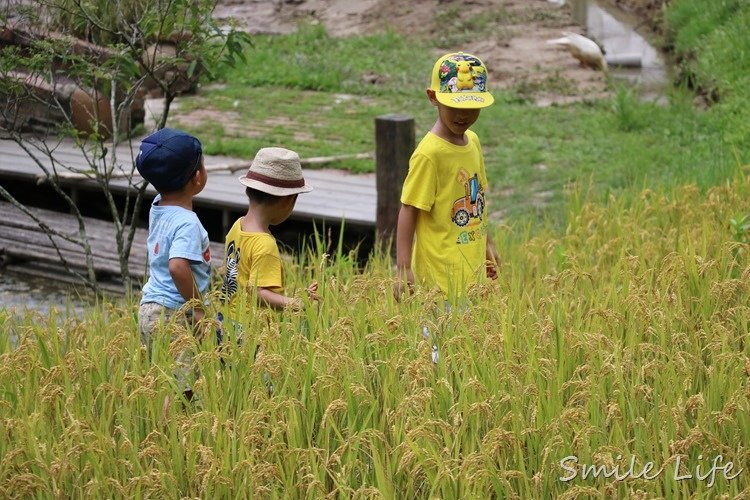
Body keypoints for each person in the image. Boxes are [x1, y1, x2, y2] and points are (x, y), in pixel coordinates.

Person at [394, 51, 501, 360]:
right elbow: (409, 209)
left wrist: (488, 246)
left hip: (472, 275)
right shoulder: (430, 154)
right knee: (441, 356)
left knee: (470, 352)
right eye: (453, 106)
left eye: (472, 108)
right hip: (439, 280)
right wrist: (403, 268)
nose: (462, 116)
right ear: (433, 97)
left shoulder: (474, 142)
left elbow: (478, 199)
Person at [136, 128, 211, 401]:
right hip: (172, 314)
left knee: (165, 380)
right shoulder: (188, 223)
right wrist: (199, 309)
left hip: (149, 309)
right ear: (198, 177)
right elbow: (178, 266)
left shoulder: (158, 206)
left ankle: (163, 432)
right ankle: (171, 438)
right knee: (183, 388)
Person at [221, 147, 318, 316]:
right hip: (248, 330)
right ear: (288, 201)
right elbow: (258, 293)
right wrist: (300, 304)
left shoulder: (237, 226)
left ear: (247, 190)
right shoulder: (265, 244)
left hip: (226, 318)